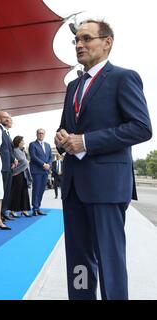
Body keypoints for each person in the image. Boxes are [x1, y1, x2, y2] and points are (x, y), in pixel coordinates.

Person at [55, 19, 152, 300]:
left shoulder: (124, 77)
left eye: (86, 38)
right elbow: (66, 128)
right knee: (79, 263)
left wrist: (85, 141)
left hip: (107, 186)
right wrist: (61, 139)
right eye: (76, 41)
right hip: (74, 186)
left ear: (107, 42)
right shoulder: (73, 86)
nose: (79, 45)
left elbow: (141, 127)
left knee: (109, 262)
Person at [29, 128, 52, 216]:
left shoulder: (48, 145)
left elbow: (51, 156)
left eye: (42, 133)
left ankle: (38, 207)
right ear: (36, 134)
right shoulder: (32, 144)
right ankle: (35, 208)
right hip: (37, 170)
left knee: (42, 190)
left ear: (44, 134)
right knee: (36, 189)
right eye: (39, 133)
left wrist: (49, 164)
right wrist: (43, 164)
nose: (41, 135)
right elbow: (33, 156)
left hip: (45, 171)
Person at [9, 136, 32, 217]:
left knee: (24, 192)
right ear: (18, 142)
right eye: (22, 141)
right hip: (17, 174)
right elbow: (19, 162)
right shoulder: (15, 151)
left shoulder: (22, 151)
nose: (23, 143)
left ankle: (24, 209)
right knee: (16, 193)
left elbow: (26, 161)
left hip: (23, 174)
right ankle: (13, 210)